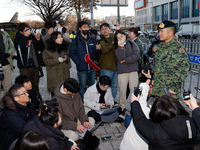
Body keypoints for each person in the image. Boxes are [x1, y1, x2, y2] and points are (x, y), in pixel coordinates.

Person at [130, 93, 200, 150]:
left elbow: (139, 120)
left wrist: (134, 102)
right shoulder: (193, 126)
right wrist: (195, 108)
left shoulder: (155, 131)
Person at [152, 20, 190, 99]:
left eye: (162, 31)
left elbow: (183, 69)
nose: (159, 34)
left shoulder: (178, 48)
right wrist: (154, 80)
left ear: (170, 33)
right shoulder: (161, 46)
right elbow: (159, 67)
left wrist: (173, 87)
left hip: (169, 92)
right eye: (159, 31)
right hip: (158, 89)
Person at [69, 21, 101, 101]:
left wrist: (98, 50)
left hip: (92, 67)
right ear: (80, 29)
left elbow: (96, 53)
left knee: (92, 86)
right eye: (84, 27)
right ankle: (83, 104)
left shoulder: (93, 39)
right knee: (82, 87)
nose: (86, 29)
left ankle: (91, 102)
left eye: (87, 27)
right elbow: (72, 53)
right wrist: (78, 62)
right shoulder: (75, 41)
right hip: (82, 68)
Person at [120, 70, 151, 150]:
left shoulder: (153, 97)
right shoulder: (135, 92)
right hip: (131, 116)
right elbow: (128, 107)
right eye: (150, 87)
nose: (151, 89)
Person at [0, 84, 37, 150]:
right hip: (10, 142)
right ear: (16, 98)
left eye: (26, 92)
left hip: (24, 136)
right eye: (24, 93)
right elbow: (24, 129)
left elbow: (36, 119)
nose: (27, 95)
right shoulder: (9, 113)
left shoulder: (27, 106)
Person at [14, 22, 45, 95]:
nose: (29, 31)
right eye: (26, 30)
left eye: (29, 29)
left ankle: (36, 104)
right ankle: (26, 104)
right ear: (21, 32)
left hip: (35, 65)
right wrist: (25, 37)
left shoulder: (32, 37)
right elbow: (20, 48)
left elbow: (41, 48)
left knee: (35, 87)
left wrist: (38, 39)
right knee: (25, 87)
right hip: (25, 67)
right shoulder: (17, 38)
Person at [114, 30, 140, 110]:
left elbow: (136, 55)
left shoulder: (132, 43)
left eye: (121, 36)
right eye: (118, 38)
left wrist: (126, 60)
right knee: (122, 90)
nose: (120, 39)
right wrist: (121, 49)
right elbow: (120, 58)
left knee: (134, 89)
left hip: (133, 70)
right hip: (122, 71)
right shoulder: (117, 46)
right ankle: (123, 106)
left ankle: (134, 105)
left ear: (125, 35)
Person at [43, 31, 70, 97]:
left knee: (64, 93)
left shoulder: (64, 48)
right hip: (54, 75)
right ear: (53, 39)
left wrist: (66, 59)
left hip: (64, 73)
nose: (61, 39)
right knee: (55, 94)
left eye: (61, 37)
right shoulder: (47, 50)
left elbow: (68, 58)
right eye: (58, 38)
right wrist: (57, 60)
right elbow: (46, 61)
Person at [98, 23, 118, 100]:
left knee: (114, 85)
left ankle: (112, 100)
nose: (104, 30)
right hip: (106, 66)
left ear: (110, 29)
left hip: (115, 66)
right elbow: (104, 50)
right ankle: (104, 100)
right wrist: (113, 44)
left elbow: (122, 44)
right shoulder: (100, 40)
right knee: (104, 86)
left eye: (106, 28)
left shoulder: (114, 37)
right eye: (102, 29)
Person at [0, 29, 15, 99]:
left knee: (8, 88)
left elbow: (12, 46)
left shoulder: (5, 34)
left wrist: (7, 54)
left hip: (5, 64)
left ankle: (6, 107)